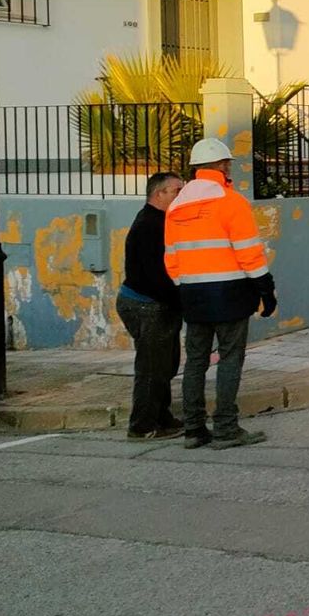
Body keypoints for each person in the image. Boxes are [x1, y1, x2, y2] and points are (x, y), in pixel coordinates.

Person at [163, 138, 278, 450]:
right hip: (229, 292)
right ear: (223, 166)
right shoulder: (231, 202)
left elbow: (171, 258)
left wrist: (185, 286)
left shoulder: (175, 206)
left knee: (196, 361)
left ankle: (193, 430)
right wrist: (265, 290)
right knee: (229, 358)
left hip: (192, 295)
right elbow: (249, 253)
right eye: (229, 163)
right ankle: (226, 428)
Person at [115, 171, 185, 439]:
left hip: (155, 304)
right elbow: (156, 276)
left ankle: (162, 416)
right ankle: (142, 425)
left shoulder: (160, 221)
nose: (181, 195)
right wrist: (182, 301)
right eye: (176, 191)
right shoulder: (149, 225)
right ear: (159, 194)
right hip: (147, 305)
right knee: (152, 368)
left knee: (165, 365)